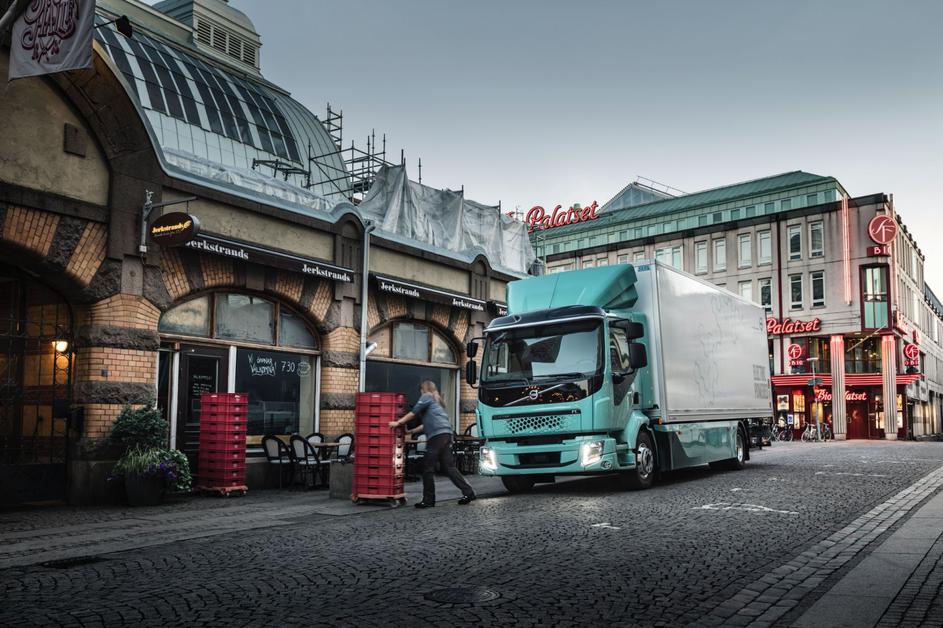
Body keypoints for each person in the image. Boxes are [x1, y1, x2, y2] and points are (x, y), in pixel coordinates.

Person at [388, 380, 476, 508]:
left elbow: (413, 413)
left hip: (437, 437)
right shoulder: (436, 401)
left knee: (427, 468)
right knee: (449, 467)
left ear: (423, 389)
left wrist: (398, 423)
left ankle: (429, 500)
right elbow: (425, 425)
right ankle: (469, 492)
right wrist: (410, 431)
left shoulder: (426, 396)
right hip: (446, 435)